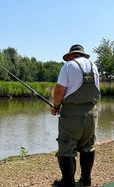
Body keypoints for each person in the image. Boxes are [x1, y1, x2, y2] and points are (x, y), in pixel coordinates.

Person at [51, 44, 100, 187]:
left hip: (72, 115)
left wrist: (56, 106)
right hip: (92, 114)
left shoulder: (68, 67)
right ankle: (86, 180)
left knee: (67, 146)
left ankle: (68, 182)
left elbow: (59, 91)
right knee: (88, 146)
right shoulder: (94, 67)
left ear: (72, 55)